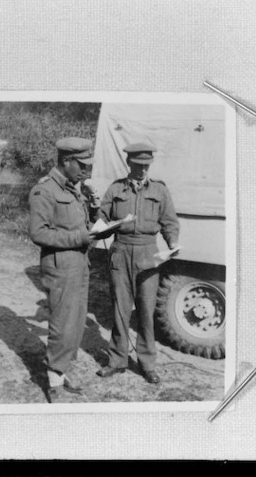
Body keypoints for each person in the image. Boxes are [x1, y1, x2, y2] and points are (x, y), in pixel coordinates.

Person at [96, 142, 180, 384]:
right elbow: (101, 218)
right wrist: (100, 224)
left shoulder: (160, 190)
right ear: (129, 163)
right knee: (120, 309)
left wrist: (172, 242)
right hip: (121, 251)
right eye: (138, 165)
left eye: (147, 165)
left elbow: (169, 222)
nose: (143, 170)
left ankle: (147, 364)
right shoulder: (115, 189)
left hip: (148, 253)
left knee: (145, 311)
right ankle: (116, 361)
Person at [28, 137, 100, 401]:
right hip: (60, 265)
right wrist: (78, 238)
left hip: (80, 263)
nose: (85, 170)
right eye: (81, 164)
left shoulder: (73, 188)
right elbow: (38, 233)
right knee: (61, 323)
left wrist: (94, 208)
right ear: (66, 161)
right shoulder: (44, 190)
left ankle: (61, 370)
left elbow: (82, 223)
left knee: (76, 321)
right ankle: (53, 380)